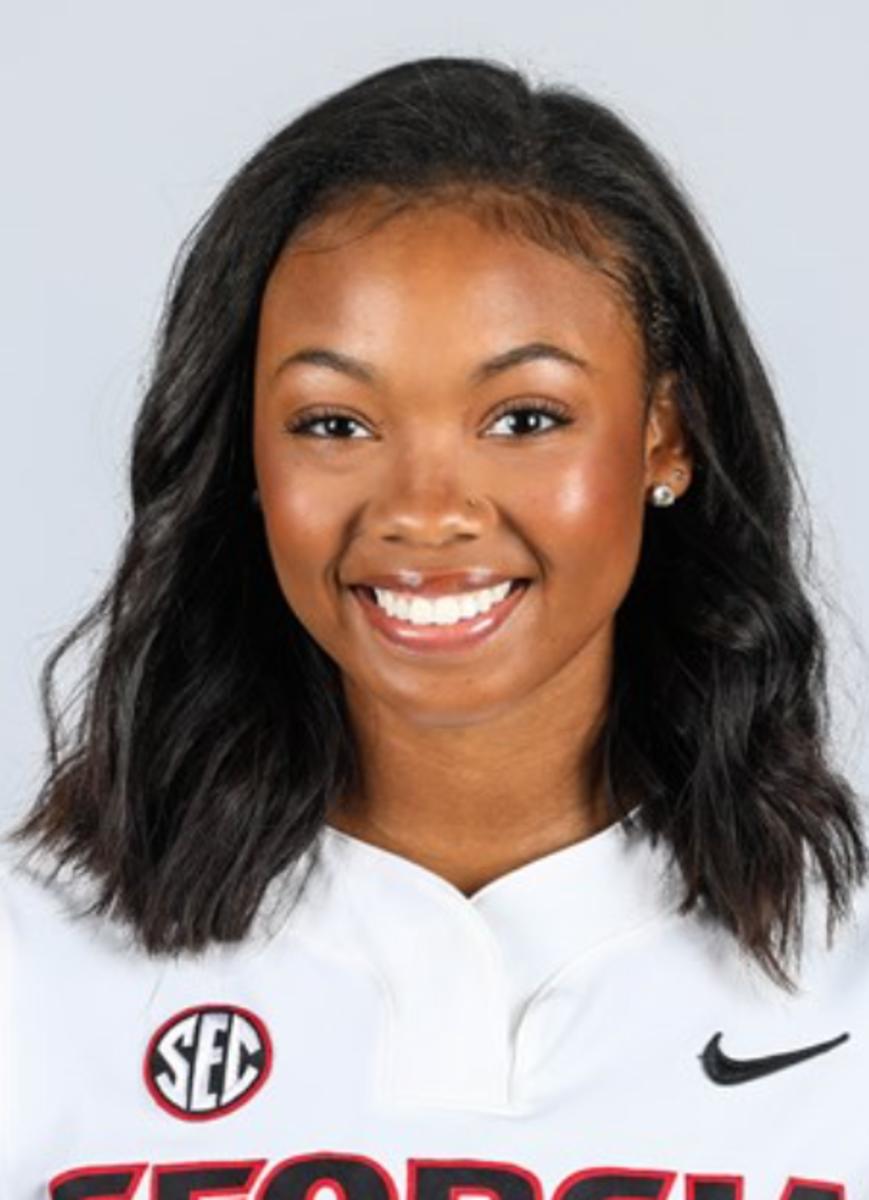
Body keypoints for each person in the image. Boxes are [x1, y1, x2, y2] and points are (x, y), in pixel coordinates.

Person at [2, 53, 867, 1197]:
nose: (423, 510)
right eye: (332, 423)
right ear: (244, 454)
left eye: (523, 418)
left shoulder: (841, 982)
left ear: (663, 435)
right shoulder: (30, 975)